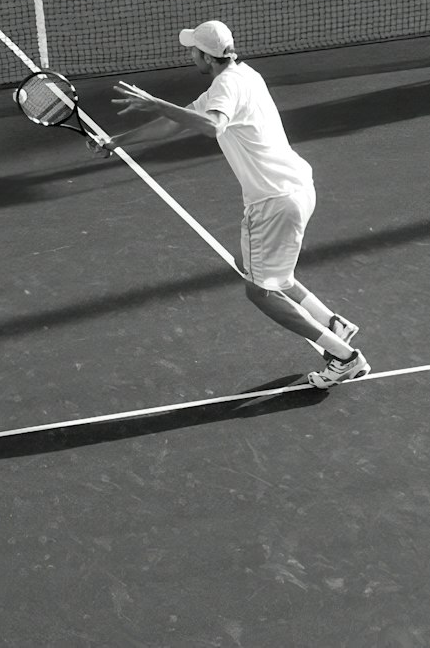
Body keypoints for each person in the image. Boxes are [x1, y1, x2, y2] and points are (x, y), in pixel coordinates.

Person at [94, 20, 370, 389]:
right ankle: (333, 322)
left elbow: (212, 127)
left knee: (260, 292)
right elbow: (176, 124)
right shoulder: (243, 76)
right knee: (252, 265)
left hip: (273, 201)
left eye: (193, 50)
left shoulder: (225, 87)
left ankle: (342, 356)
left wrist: (155, 101)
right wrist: (119, 141)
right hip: (296, 187)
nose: (189, 54)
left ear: (207, 56)